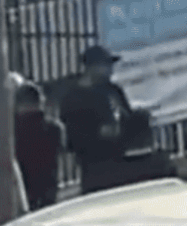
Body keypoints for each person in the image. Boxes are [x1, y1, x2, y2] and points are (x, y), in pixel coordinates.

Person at [59, 45, 138, 194]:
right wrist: (98, 133)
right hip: (93, 167)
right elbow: (72, 138)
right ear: (91, 67)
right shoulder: (74, 98)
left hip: (121, 161)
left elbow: (127, 116)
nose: (110, 70)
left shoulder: (113, 90)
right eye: (105, 65)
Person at [13, 82, 64, 211]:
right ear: (41, 101)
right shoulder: (54, 129)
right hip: (48, 190)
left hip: (22, 191)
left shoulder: (11, 132)